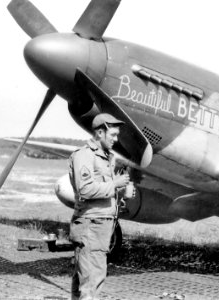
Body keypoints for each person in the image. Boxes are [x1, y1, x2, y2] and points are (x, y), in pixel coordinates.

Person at [69, 113, 130, 300]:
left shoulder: (106, 157)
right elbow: (85, 190)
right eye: (112, 135)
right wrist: (116, 184)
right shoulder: (84, 155)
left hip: (101, 226)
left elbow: (103, 191)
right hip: (91, 225)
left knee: (86, 282)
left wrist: (120, 192)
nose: (116, 139)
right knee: (91, 283)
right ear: (100, 133)